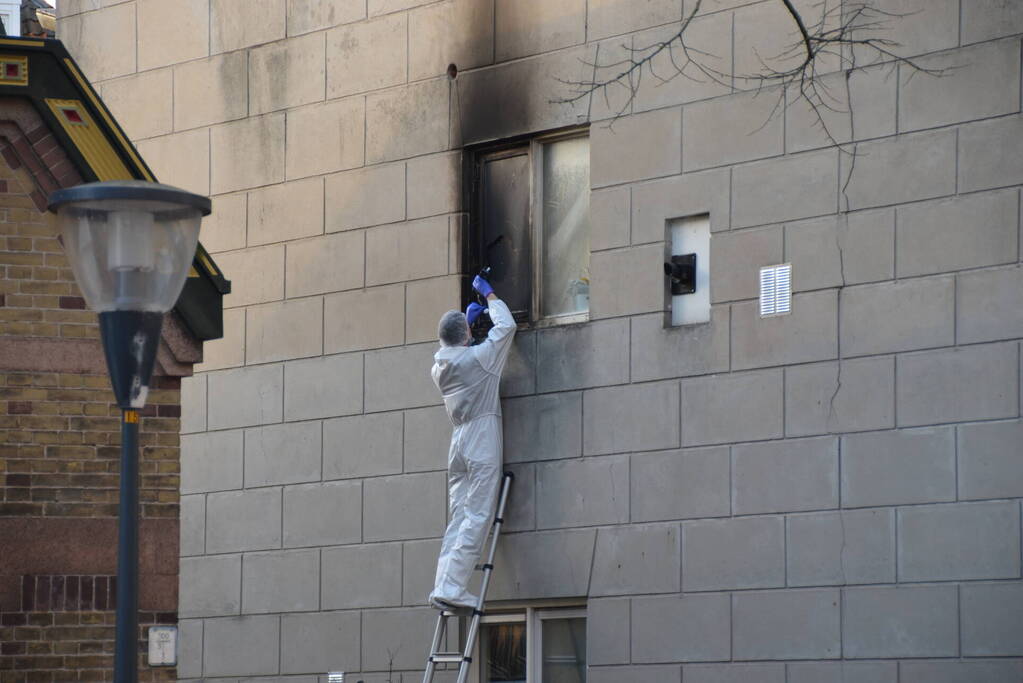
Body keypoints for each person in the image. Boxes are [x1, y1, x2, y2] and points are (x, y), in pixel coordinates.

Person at [428, 274, 516, 611]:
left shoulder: (440, 367)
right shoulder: (480, 360)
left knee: (458, 518)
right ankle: (452, 587)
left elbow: (455, 350)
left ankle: (443, 585)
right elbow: (506, 327)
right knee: (477, 515)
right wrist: (491, 295)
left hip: (459, 443)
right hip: (481, 437)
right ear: (466, 334)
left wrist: (464, 328)